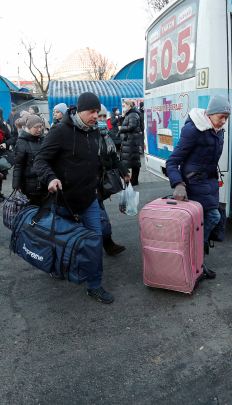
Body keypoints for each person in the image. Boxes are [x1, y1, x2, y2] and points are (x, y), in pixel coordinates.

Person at [34, 92, 114, 304]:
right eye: (92, 111)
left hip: (89, 201)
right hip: (63, 202)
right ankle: (58, 268)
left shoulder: (94, 132)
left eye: (98, 112)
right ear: (79, 111)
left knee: (95, 243)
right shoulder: (60, 131)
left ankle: (94, 285)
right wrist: (50, 178)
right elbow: (40, 160)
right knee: (62, 242)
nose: (96, 116)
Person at [166, 95, 231, 280]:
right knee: (213, 217)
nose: (224, 121)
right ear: (209, 114)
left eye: (226, 118)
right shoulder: (193, 130)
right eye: (221, 117)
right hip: (193, 183)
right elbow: (172, 161)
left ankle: (196, 263)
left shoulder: (217, 130)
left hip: (209, 183)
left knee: (205, 222)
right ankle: (194, 259)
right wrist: (178, 184)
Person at [97, 105, 131, 255]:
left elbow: (113, 157)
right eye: (99, 117)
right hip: (90, 183)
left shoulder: (106, 135)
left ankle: (107, 243)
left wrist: (124, 172)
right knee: (99, 215)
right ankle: (106, 243)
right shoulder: (87, 136)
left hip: (102, 181)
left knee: (98, 214)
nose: (102, 120)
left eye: (105, 117)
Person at [12, 115, 47, 206]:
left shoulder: (44, 140)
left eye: (40, 126)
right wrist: (16, 184)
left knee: (46, 213)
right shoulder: (22, 141)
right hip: (30, 185)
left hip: (45, 183)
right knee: (33, 213)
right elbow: (18, 164)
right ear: (29, 127)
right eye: (36, 127)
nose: (39, 129)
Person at [118, 99, 142, 185]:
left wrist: (122, 129)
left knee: (132, 160)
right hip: (129, 140)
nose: (124, 106)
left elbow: (132, 126)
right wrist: (123, 116)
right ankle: (132, 179)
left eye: (125, 105)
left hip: (131, 140)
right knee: (131, 160)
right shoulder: (130, 114)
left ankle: (133, 180)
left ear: (129, 105)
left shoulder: (133, 114)